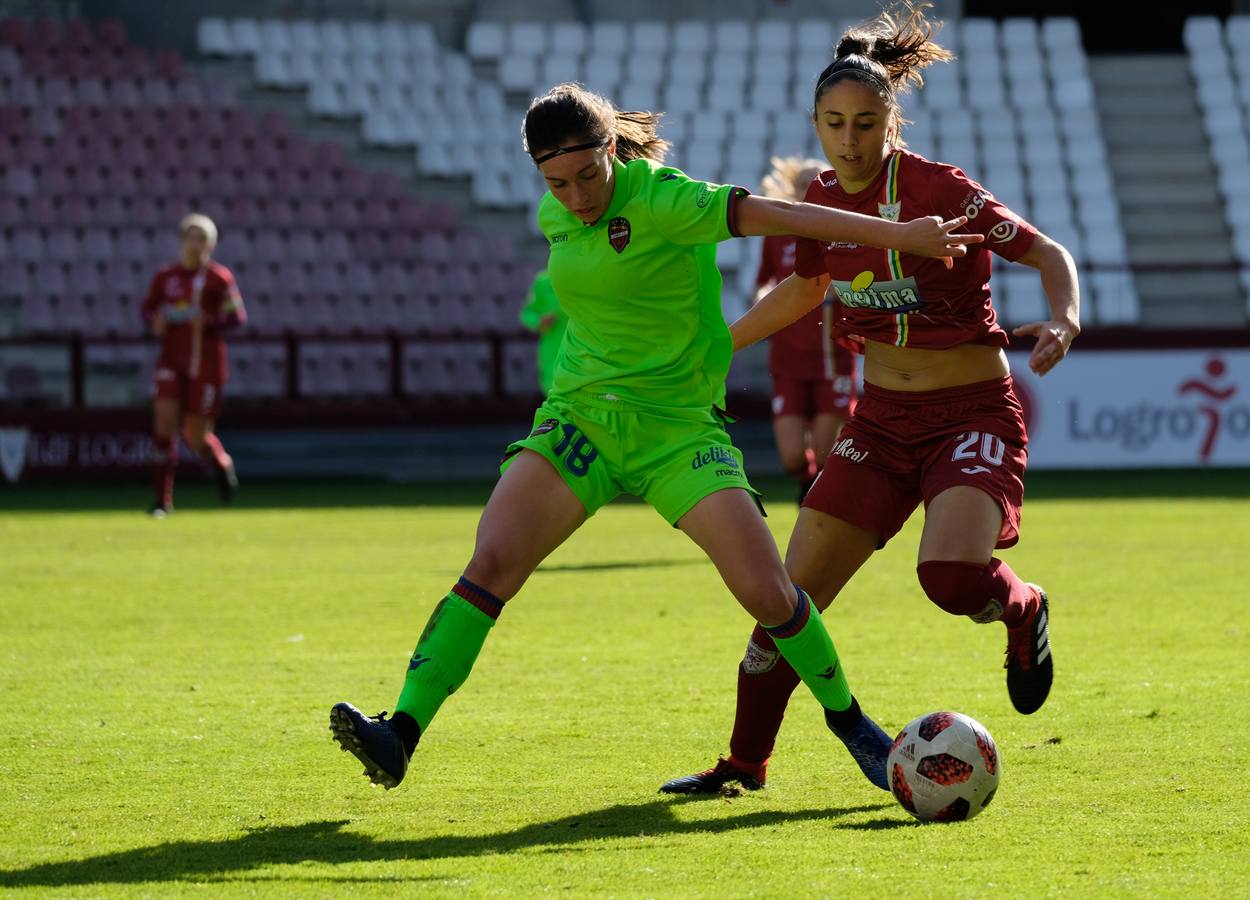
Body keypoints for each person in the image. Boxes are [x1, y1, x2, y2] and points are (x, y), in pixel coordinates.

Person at [329, 82, 981, 793]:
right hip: (583, 418)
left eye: (586, 175)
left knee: (770, 592)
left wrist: (898, 234)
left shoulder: (668, 200)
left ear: (612, 149)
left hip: (677, 430)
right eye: (556, 182)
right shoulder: (556, 213)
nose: (575, 196)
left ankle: (850, 723)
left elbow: (783, 213)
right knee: (491, 562)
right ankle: (401, 733)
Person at [659, 3, 1080, 795]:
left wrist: (1065, 316)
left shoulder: (940, 190)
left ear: (894, 122)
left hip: (971, 414)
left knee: (952, 580)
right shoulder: (820, 198)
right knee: (785, 606)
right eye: (832, 123)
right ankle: (744, 765)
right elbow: (806, 287)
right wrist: (719, 346)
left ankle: (1022, 612)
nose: (848, 141)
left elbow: (1048, 252)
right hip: (879, 424)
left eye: (864, 122)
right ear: (816, 124)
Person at [755, 156, 859, 503]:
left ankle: (824, 502)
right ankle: (809, 489)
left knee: (825, 450)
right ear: (792, 190)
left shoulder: (845, 231)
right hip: (788, 359)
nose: (809, 189)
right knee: (792, 457)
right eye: (803, 184)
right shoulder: (777, 236)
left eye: (817, 181)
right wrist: (765, 296)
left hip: (833, 358)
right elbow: (763, 282)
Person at [141, 213, 245, 517]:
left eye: (202, 238)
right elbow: (147, 310)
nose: (196, 244)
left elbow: (237, 317)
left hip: (206, 365)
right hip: (171, 360)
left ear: (211, 244)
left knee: (195, 437)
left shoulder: (219, 278)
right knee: (164, 427)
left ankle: (221, 463)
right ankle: (162, 500)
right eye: (191, 237)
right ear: (182, 241)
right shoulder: (166, 276)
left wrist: (209, 320)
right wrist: (155, 320)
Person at [518, 268, 568, 394]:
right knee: (554, 394)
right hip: (553, 351)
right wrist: (539, 321)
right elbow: (527, 313)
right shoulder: (543, 281)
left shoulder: (584, 279)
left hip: (582, 349)